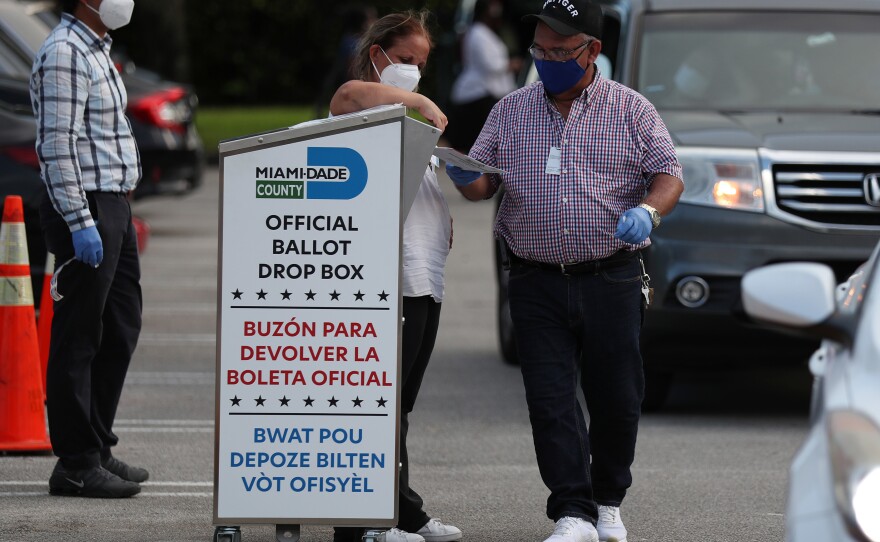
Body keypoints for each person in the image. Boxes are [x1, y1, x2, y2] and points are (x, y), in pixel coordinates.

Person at [445, 1, 683, 541]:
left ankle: (608, 502)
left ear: (592, 50)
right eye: (539, 51)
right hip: (535, 278)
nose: (548, 61)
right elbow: (483, 186)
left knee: (617, 397)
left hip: (611, 276)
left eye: (560, 52)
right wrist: (460, 168)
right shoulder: (510, 110)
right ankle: (572, 512)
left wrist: (649, 209)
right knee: (550, 400)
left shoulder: (632, 109)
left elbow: (668, 173)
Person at [328, 9, 462, 542]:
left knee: (399, 405)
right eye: (405, 60)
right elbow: (349, 95)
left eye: (422, 65)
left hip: (424, 277)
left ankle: (404, 511)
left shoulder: (410, 123)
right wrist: (420, 100)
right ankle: (363, 523)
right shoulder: (356, 103)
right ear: (378, 53)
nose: (413, 71)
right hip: (385, 279)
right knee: (379, 402)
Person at [31, 0, 147, 498]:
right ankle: (75, 462)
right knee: (79, 335)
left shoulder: (96, 49)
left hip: (112, 203)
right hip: (87, 207)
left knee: (120, 326)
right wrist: (81, 221)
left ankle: (95, 445)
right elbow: (57, 145)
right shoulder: (65, 52)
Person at [446, 0, 520, 152]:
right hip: (476, 95)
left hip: (486, 94)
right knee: (472, 145)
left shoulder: (486, 33)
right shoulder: (478, 33)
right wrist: (512, 64)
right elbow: (492, 65)